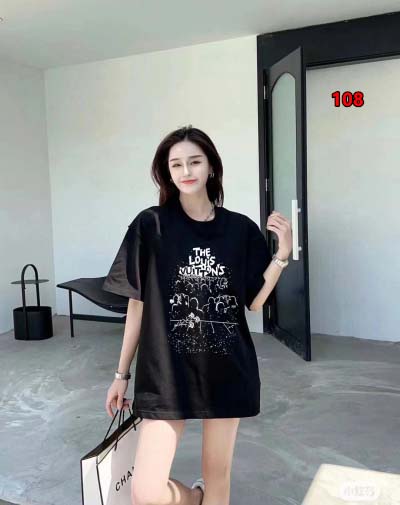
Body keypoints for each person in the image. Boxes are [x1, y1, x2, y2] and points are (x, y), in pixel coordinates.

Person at [103, 125, 293, 505]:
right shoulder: (151, 225)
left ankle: (209, 495)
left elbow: (255, 302)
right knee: (146, 493)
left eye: (194, 161)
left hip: (226, 369)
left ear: (210, 167)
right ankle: (193, 498)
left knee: (218, 476)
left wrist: (281, 256)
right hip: (166, 373)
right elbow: (137, 304)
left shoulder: (239, 229)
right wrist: (121, 374)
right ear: (166, 172)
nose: (186, 171)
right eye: (176, 164)